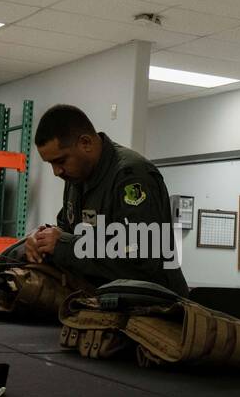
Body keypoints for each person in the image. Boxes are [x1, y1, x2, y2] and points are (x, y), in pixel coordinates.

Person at [24, 104, 188, 296]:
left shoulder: (131, 177)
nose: (56, 171)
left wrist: (65, 246)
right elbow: (68, 231)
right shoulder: (77, 178)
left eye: (60, 161)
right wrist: (42, 239)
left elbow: (141, 261)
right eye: (51, 164)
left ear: (85, 143)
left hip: (153, 308)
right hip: (101, 301)